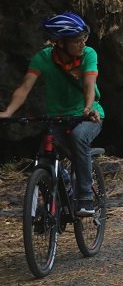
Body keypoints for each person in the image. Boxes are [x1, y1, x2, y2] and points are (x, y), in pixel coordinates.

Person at [0, 12, 104, 217]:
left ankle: (85, 197)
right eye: (76, 40)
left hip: (88, 116)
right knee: (44, 155)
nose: (82, 43)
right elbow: (24, 88)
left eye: (83, 38)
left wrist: (89, 107)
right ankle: (53, 199)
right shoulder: (43, 59)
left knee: (78, 137)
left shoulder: (89, 54)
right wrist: (8, 112)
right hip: (58, 117)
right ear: (60, 43)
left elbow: (89, 84)